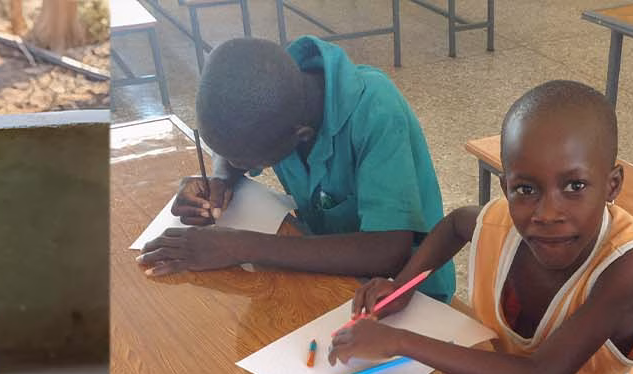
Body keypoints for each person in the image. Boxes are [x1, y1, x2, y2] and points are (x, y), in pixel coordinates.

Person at [330, 80, 633, 374]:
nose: (547, 212)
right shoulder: (499, 224)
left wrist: (397, 340)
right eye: (526, 189)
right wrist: (402, 286)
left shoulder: (631, 265)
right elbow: (455, 225)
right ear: (505, 188)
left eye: (574, 186)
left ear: (612, 186)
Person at [139, 37, 454, 302]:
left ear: (301, 136)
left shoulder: (377, 112)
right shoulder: (272, 93)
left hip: (403, 295)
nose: (238, 166)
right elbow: (236, 143)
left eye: (244, 162)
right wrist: (221, 179)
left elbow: (387, 250)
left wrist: (239, 246)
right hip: (323, 271)